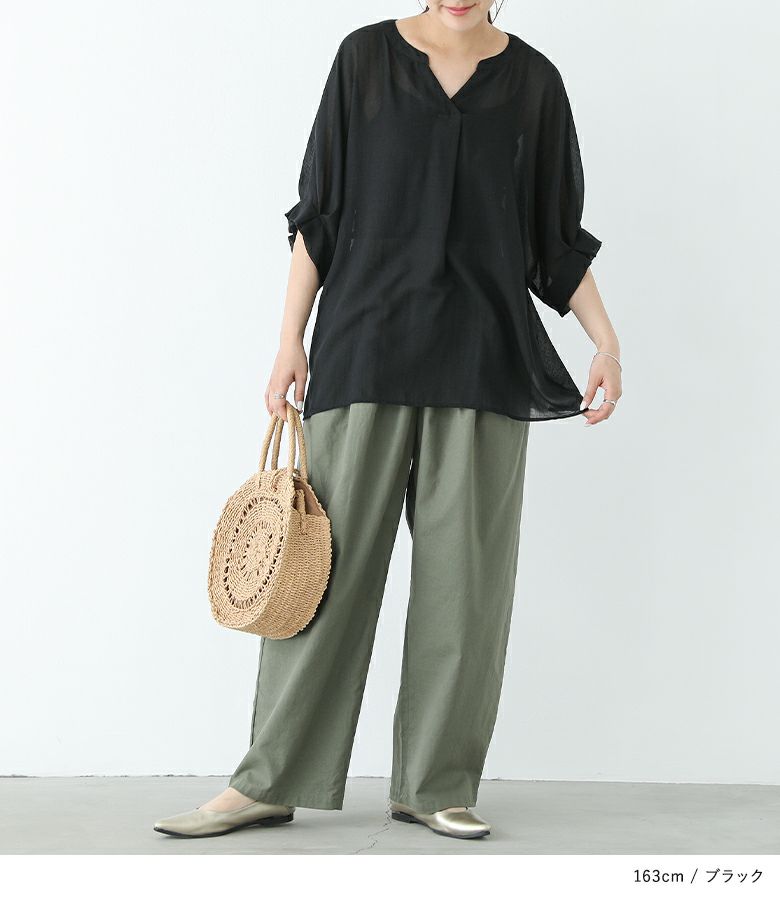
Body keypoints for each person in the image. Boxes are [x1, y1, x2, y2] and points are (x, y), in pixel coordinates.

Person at [154, 0, 622, 842]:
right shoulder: (364, 61)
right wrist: (289, 340)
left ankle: (435, 785)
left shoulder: (534, 84)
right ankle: (268, 779)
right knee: (320, 574)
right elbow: (321, 213)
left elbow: (552, 239)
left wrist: (606, 342)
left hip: (481, 360)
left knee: (465, 588)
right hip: (366, 348)